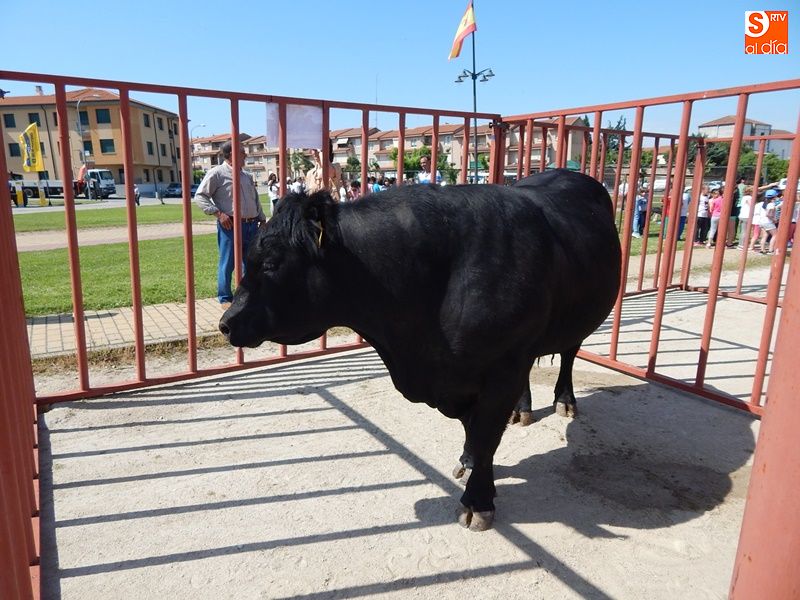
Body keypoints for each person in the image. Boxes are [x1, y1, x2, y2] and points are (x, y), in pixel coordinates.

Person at [194, 140, 266, 306]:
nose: (245, 155)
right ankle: (225, 298)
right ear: (232, 154)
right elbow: (200, 196)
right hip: (231, 226)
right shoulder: (217, 173)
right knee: (227, 263)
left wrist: (262, 218)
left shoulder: (246, 175)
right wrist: (218, 214)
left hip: (252, 225)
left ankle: (247, 297)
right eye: (242, 151)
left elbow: (254, 199)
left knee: (250, 262)